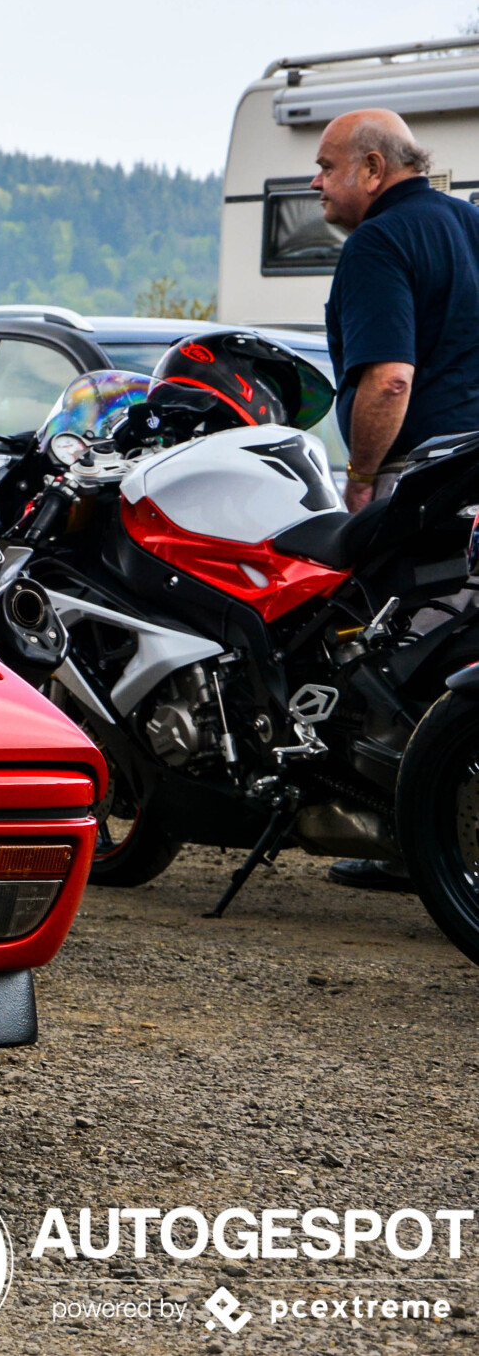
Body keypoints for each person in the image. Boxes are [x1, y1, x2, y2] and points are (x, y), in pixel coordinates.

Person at [311, 107, 479, 893]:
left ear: (373, 170)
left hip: (424, 477)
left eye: (326, 166)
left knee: (388, 657)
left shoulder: (381, 241)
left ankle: (412, 842)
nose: (315, 182)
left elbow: (389, 376)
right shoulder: (471, 225)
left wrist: (360, 477)